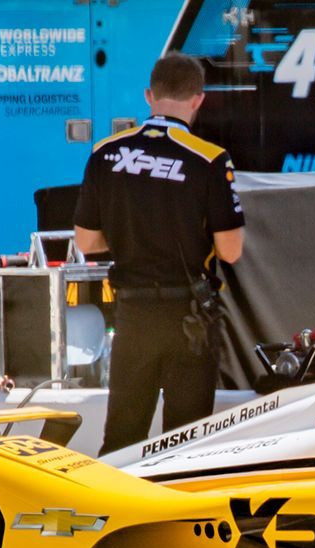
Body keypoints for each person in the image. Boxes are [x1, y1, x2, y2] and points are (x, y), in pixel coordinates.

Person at [74, 53, 246, 455]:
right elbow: (231, 251)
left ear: (149, 95)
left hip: (132, 316)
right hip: (189, 318)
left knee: (121, 439)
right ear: (198, 99)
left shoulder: (105, 152)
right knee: (186, 446)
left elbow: (85, 243)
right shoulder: (210, 158)